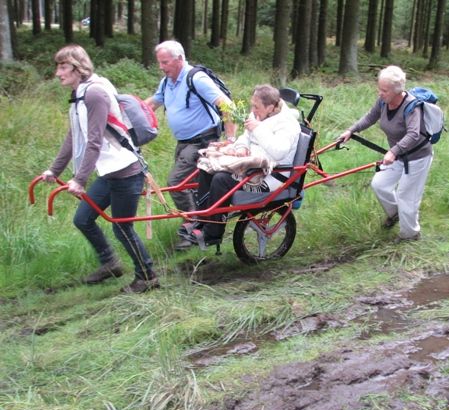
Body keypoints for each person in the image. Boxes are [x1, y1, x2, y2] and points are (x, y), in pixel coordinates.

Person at [41, 45, 159, 293]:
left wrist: (80, 180)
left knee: (121, 226)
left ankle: (147, 276)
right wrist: (54, 170)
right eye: (58, 67)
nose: (58, 73)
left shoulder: (94, 93)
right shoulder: (79, 95)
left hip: (126, 171)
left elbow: (93, 140)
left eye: (63, 67)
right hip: (108, 173)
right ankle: (111, 263)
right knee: (83, 219)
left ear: (77, 68)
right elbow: (74, 136)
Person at [144, 40, 237, 249]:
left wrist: (230, 140)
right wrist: (128, 112)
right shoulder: (167, 81)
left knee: (176, 183)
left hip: (203, 141)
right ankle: (201, 229)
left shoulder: (196, 78)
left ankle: (194, 226)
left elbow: (226, 105)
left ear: (179, 58)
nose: (161, 67)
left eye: (165, 62)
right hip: (184, 143)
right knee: (195, 187)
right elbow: (153, 103)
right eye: (160, 62)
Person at [182, 84, 301, 248]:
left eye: (256, 106)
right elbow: (246, 137)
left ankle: (213, 233)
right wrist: (241, 147)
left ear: (271, 107)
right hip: (251, 168)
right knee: (207, 170)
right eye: (252, 105)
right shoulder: (260, 115)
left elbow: (279, 152)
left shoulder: (288, 124)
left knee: (221, 180)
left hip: (270, 176)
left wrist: (257, 129)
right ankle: (202, 221)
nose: (253, 110)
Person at [338, 65, 434, 242]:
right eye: (379, 88)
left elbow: (413, 134)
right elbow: (370, 117)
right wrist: (351, 131)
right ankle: (396, 214)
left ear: (398, 91)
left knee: (407, 196)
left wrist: (393, 151)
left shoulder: (412, 107)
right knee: (379, 184)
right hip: (397, 156)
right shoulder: (383, 101)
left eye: (384, 90)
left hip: (417, 158)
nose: (380, 93)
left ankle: (410, 234)